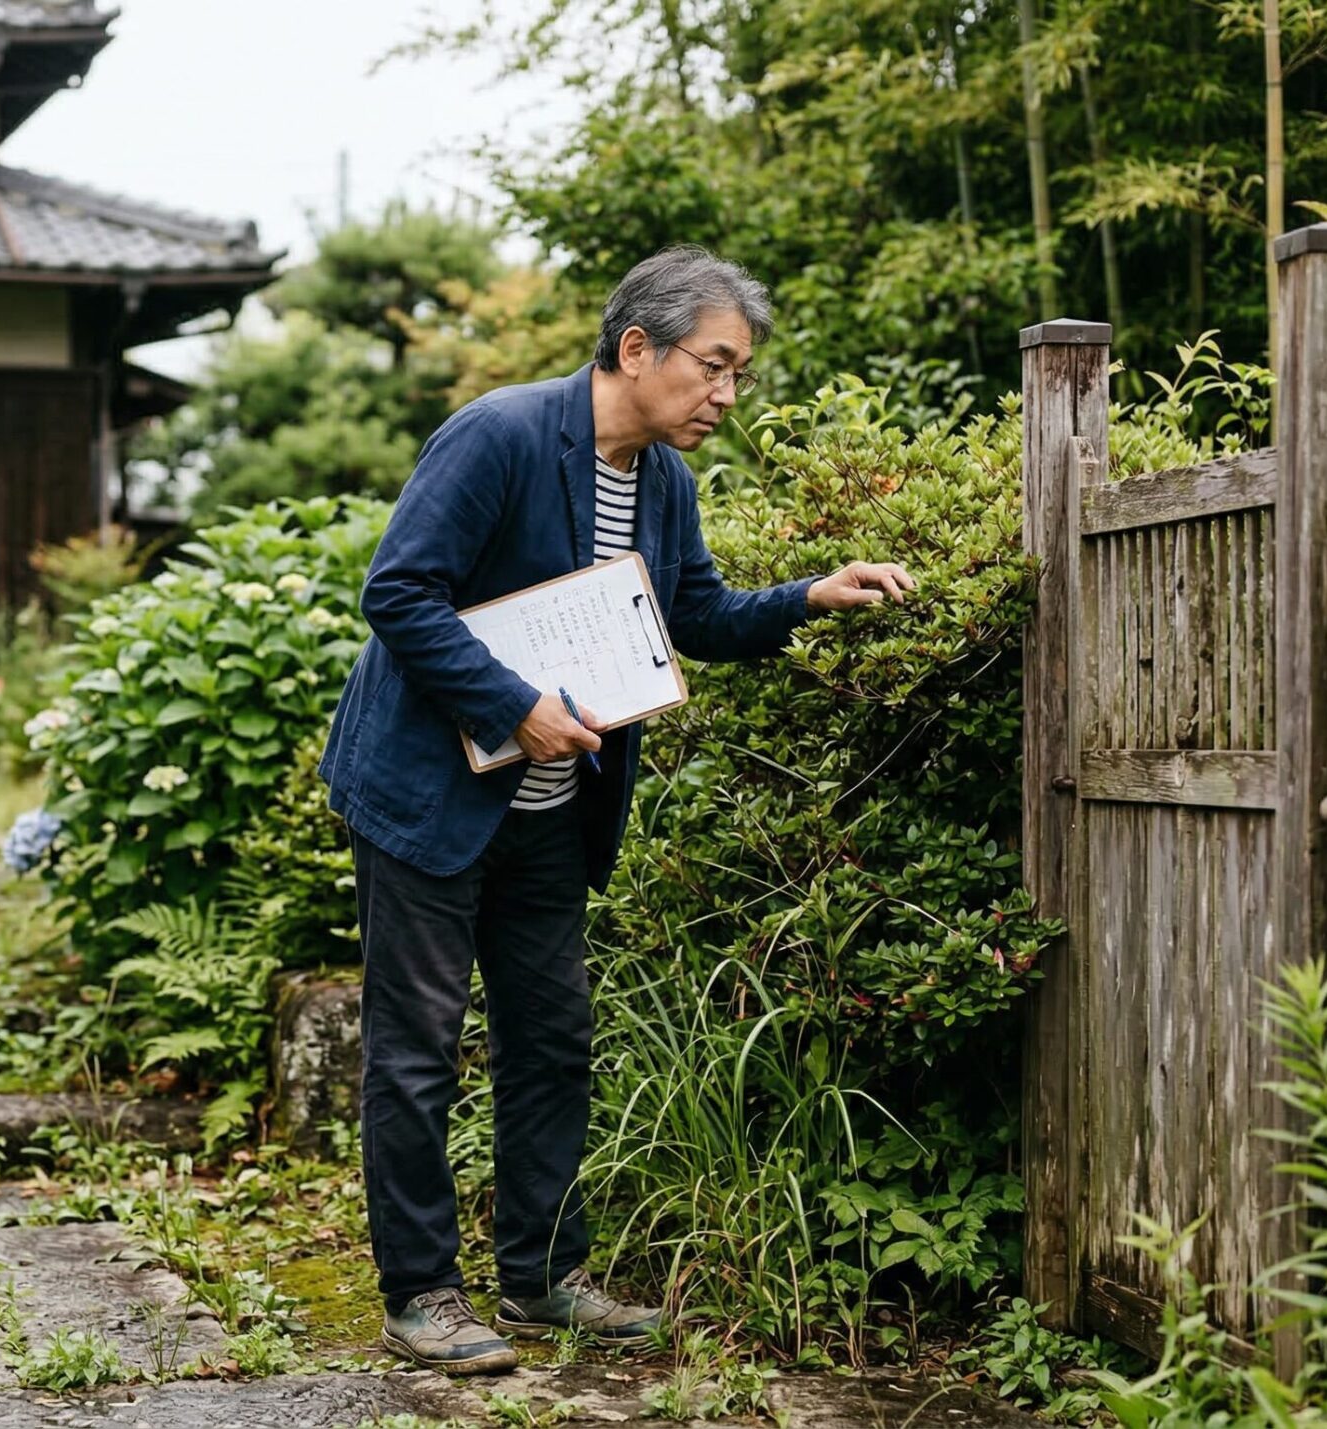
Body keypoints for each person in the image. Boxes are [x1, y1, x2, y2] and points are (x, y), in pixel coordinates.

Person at [317, 245, 916, 1375]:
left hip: (547, 808)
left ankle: (541, 1275)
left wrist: (809, 596)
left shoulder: (662, 483)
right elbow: (396, 589)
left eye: (739, 374)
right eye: (715, 366)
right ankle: (421, 1294)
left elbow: (692, 616)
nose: (726, 394)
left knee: (552, 1039)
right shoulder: (499, 435)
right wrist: (513, 704)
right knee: (419, 1050)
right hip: (425, 800)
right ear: (636, 348)